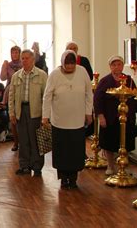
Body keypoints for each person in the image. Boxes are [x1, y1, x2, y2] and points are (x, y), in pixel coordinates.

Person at [42, 50, 93, 189]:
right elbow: (47, 96)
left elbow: (89, 93)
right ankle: (63, 178)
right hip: (60, 121)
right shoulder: (54, 75)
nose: (70, 67)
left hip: (77, 120)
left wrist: (89, 113)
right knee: (62, 151)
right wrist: (45, 116)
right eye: (67, 64)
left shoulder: (82, 72)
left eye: (72, 64)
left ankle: (73, 178)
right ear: (62, 62)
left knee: (75, 151)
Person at [93, 55, 137, 176]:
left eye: (119, 64)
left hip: (128, 117)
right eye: (114, 65)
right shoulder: (105, 81)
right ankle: (110, 166)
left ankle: (123, 166)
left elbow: (136, 97)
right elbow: (98, 100)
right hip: (110, 118)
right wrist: (101, 116)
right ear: (110, 67)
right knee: (109, 143)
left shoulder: (129, 80)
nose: (117, 67)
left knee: (125, 142)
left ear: (123, 66)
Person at [9, 49, 48, 177]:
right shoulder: (17, 76)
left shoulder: (41, 75)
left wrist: (45, 115)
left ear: (33, 60)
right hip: (21, 110)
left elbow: (46, 97)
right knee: (23, 140)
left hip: (35, 111)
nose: (24, 60)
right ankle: (24, 165)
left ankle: (37, 166)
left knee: (36, 140)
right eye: (22, 58)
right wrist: (12, 113)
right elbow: (11, 97)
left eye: (26, 58)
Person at [0, 45, 23, 151]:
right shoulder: (8, 64)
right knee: (13, 119)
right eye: (12, 52)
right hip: (10, 93)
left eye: (16, 52)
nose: (14, 54)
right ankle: (16, 142)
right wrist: (4, 66)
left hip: (22, 92)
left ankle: (23, 142)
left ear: (20, 53)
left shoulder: (24, 63)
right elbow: (3, 78)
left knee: (22, 119)